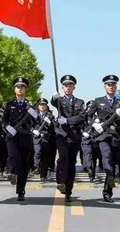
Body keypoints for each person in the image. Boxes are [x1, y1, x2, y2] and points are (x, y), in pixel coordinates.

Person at [86, 74, 120, 203]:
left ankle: (107, 192)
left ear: (116, 87)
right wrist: (94, 124)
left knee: (113, 162)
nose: (111, 87)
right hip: (103, 135)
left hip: (116, 136)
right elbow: (87, 116)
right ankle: (110, 176)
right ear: (104, 87)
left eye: (113, 85)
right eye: (108, 85)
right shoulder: (98, 101)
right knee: (106, 156)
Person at [51, 74, 86, 202]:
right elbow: (53, 102)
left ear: (73, 87)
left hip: (74, 136)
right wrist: (53, 97)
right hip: (62, 134)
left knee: (71, 162)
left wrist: (67, 120)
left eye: (70, 85)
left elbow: (82, 117)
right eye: (65, 85)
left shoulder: (80, 102)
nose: (68, 87)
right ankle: (61, 181)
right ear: (62, 87)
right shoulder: (60, 100)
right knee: (63, 158)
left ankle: (68, 190)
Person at [3, 76, 37, 201]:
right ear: (14, 89)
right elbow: (4, 120)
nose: (20, 89)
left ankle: (20, 190)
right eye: (18, 87)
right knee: (12, 155)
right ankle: (11, 173)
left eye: (22, 87)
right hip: (12, 136)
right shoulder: (9, 105)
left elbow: (36, 122)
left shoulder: (30, 106)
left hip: (25, 137)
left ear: (25, 90)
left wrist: (34, 114)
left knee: (23, 164)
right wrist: (7, 127)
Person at [32, 99, 56, 182]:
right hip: (37, 138)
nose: (42, 106)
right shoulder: (35, 116)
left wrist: (50, 123)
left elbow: (55, 128)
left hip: (46, 139)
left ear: (46, 106)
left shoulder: (50, 116)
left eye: (44, 105)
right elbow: (30, 125)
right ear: (38, 106)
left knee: (45, 158)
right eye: (41, 105)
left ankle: (43, 175)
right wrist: (33, 130)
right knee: (37, 153)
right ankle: (37, 167)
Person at [80, 101, 98, 183]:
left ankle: (92, 174)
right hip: (86, 139)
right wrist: (83, 132)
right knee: (88, 155)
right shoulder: (83, 117)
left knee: (94, 158)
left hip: (95, 139)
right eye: (89, 107)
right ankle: (89, 169)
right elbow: (79, 126)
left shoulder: (98, 117)